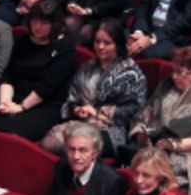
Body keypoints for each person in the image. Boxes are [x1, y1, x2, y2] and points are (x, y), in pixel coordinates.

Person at [126, 47, 191, 195]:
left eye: (179, 72)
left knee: (161, 179)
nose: (174, 76)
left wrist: (173, 145)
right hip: (151, 144)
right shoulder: (166, 85)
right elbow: (147, 111)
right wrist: (140, 133)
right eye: (172, 70)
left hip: (180, 152)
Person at [42, 19, 146, 157]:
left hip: (113, 130)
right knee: (49, 142)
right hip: (83, 122)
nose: (101, 47)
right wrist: (77, 109)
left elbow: (134, 110)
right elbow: (73, 96)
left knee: (63, 145)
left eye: (107, 43)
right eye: (97, 41)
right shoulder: (87, 66)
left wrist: (97, 112)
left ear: (117, 45)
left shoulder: (131, 72)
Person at [0, 0, 78, 141]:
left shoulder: (65, 48)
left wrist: (21, 107)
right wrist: (4, 101)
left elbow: (47, 87)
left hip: (43, 105)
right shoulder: (23, 41)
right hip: (14, 98)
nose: (37, 27)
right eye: (34, 21)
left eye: (44, 23)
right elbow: (8, 75)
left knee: (11, 138)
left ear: (55, 24)